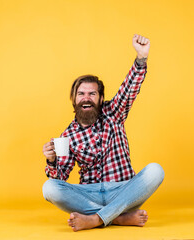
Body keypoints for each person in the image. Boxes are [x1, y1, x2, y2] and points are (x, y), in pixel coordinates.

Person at [42, 34, 164, 232]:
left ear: (100, 99)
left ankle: (96, 218)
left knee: (155, 170)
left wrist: (141, 58)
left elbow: (129, 89)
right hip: (89, 193)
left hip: (123, 189)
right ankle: (118, 218)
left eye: (92, 93)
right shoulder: (66, 136)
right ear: (74, 99)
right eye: (81, 94)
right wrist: (51, 160)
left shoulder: (114, 112)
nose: (86, 98)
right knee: (49, 188)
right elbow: (61, 178)